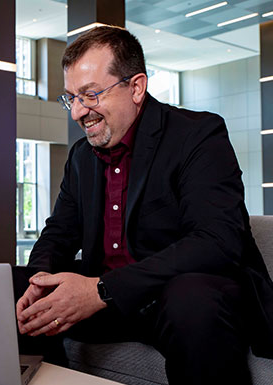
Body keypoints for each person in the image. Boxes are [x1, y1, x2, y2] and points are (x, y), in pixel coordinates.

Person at [14, 25, 273, 385]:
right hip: (113, 304)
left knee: (191, 299)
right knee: (10, 288)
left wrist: (102, 289)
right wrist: (38, 279)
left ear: (135, 87)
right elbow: (59, 232)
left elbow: (217, 241)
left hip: (172, 297)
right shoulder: (80, 158)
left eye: (90, 96)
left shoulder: (197, 135)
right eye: (71, 98)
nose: (76, 113)